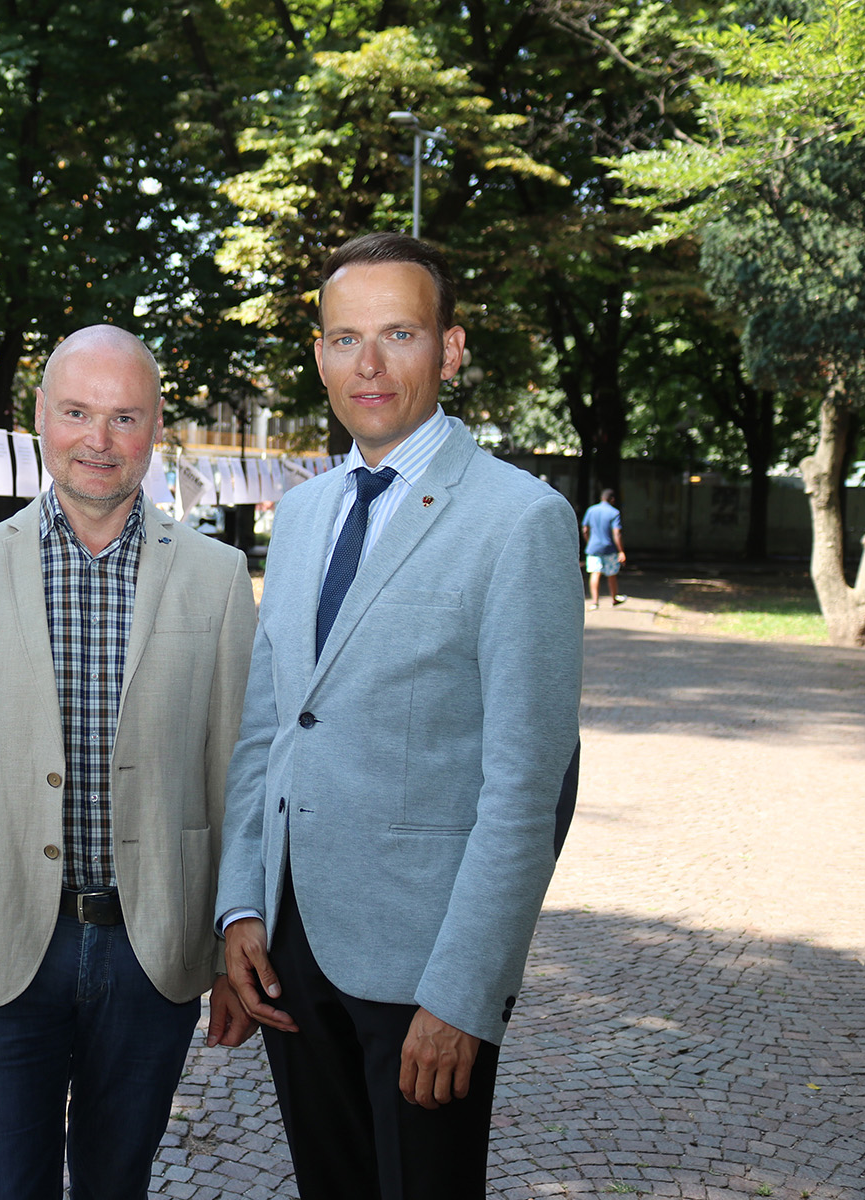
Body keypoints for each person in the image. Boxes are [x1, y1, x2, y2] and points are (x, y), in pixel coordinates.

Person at [217, 232, 584, 1198]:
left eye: (399, 334)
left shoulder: (519, 520)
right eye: (346, 339)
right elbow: (268, 730)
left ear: (450, 350)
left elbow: (528, 789)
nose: (369, 364)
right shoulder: (302, 516)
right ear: (320, 356)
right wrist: (242, 904)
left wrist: (466, 992)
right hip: (291, 950)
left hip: (425, 971)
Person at [0, 325, 259, 1200]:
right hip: (4, 947)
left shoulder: (215, 578)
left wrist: (227, 953)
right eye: (77, 412)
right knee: (4, 1185)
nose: (100, 439)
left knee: (115, 1182)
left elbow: (236, 777)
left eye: (125, 416)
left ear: (156, 427)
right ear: (39, 417)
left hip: (153, 948)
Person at [581, 487, 626, 609]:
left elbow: (585, 529)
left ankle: (595, 602)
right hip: (609, 548)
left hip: (593, 548)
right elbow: (616, 533)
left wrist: (589, 542)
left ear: (601, 498)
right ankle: (614, 598)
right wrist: (621, 551)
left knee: (595, 573)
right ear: (612, 499)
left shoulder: (591, 510)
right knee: (611, 574)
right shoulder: (614, 512)